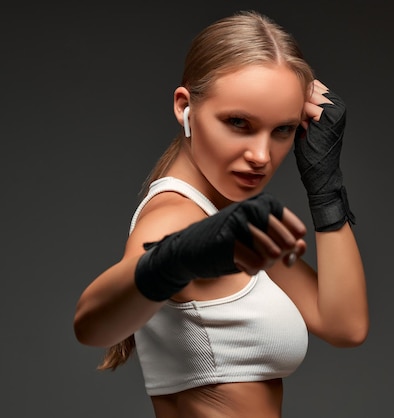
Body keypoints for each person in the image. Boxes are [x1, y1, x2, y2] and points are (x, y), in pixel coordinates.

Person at [73, 9, 369, 418]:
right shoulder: (174, 217)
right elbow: (90, 325)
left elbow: (344, 325)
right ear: (184, 107)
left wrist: (326, 185)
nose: (262, 157)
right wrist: (173, 258)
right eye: (238, 123)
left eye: (282, 129)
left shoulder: (224, 219)